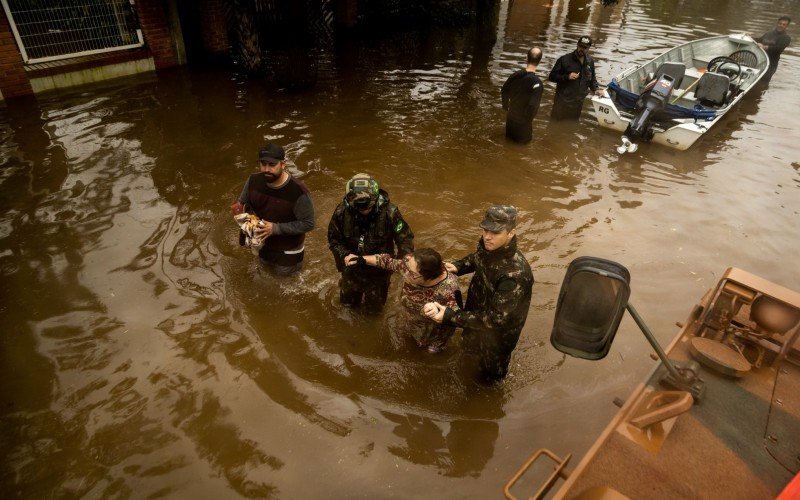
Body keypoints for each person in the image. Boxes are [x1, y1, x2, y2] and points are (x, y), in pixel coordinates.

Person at [423, 205, 533, 381]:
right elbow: (478, 258)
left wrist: (450, 316)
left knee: (486, 384)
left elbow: (495, 321)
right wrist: (459, 266)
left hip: (495, 343)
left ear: (511, 233)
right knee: (466, 364)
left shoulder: (515, 275)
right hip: (473, 323)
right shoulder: (490, 247)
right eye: (486, 230)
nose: (488, 236)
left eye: (495, 232)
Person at [345, 248, 462, 352]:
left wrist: (439, 312)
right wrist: (362, 259)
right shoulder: (411, 265)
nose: (405, 273)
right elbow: (388, 262)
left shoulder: (449, 289)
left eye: (411, 273)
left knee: (428, 356)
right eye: (406, 267)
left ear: (428, 277)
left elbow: (458, 318)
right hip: (410, 320)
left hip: (433, 334)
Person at [328, 173, 414, 312]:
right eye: (360, 208)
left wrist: (400, 265)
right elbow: (334, 241)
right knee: (347, 308)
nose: (364, 211)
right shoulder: (341, 212)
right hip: (351, 270)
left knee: (374, 312)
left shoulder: (390, 213)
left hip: (379, 272)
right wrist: (345, 255)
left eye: (368, 207)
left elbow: (405, 240)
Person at [230, 143, 315, 276]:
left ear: (283, 164)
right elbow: (241, 204)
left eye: (272, 165)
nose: (266, 169)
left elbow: (308, 223)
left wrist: (275, 228)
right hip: (263, 246)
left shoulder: (298, 192)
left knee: (283, 289)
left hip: (288, 252)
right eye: (263, 164)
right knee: (262, 279)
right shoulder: (253, 181)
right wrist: (245, 222)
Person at [548, 36, 604, 121]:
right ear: (577, 45)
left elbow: (592, 79)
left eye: (585, 48)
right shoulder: (564, 59)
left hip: (578, 104)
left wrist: (596, 89)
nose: (582, 49)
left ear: (589, 48)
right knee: (555, 126)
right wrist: (567, 76)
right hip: (562, 103)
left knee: (571, 127)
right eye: (580, 46)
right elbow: (552, 76)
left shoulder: (590, 61)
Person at [501, 47, 545, 143]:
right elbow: (533, 106)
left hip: (510, 120)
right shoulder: (537, 83)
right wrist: (526, 121)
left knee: (507, 143)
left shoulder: (515, 75)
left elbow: (504, 90)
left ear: (526, 58)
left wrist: (505, 106)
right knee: (522, 151)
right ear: (539, 61)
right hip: (523, 125)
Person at [754, 16, 792, 84]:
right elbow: (759, 40)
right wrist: (747, 36)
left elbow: (779, 49)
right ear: (777, 23)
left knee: (763, 83)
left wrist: (765, 47)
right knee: (753, 80)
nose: (781, 25)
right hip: (760, 61)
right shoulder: (769, 33)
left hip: (771, 65)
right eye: (780, 23)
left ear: (787, 26)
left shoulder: (786, 38)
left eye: (784, 24)